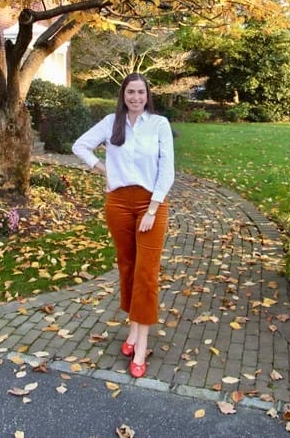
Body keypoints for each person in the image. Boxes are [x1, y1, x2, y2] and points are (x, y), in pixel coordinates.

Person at [72, 73, 175, 378]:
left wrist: (153, 209)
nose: (135, 97)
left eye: (140, 92)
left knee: (146, 272)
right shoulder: (110, 122)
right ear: (123, 94)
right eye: (130, 92)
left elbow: (167, 170)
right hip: (118, 203)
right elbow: (80, 146)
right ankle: (132, 332)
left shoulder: (159, 124)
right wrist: (103, 170)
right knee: (128, 267)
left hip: (150, 204)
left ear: (147, 95)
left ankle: (141, 345)